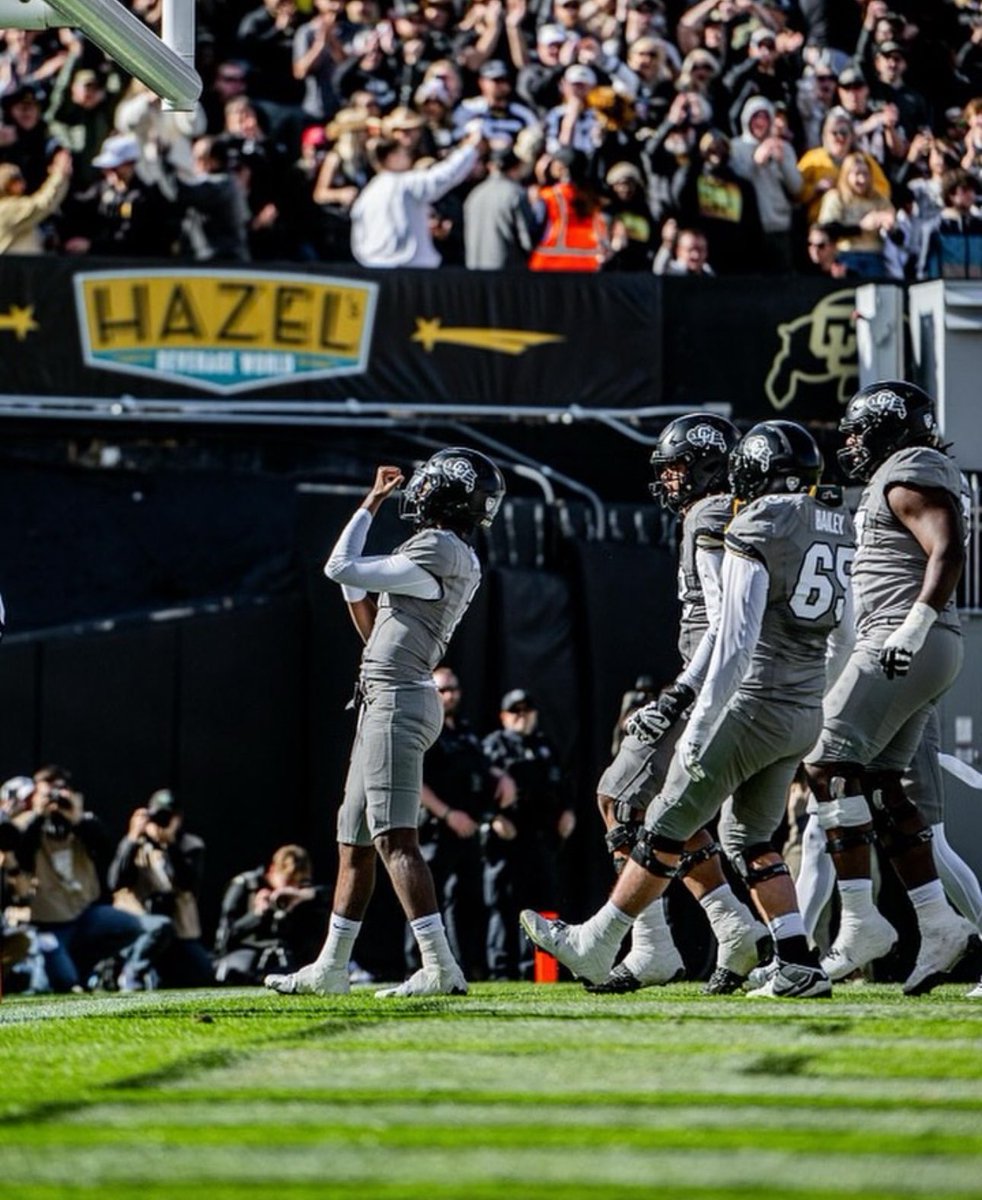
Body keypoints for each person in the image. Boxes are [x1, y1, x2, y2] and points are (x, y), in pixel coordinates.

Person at [523, 420, 854, 1000]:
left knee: (652, 814)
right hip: (801, 707)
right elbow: (841, 636)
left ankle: (608, 939)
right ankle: (795, 960)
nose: (669, 480)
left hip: (740, 697)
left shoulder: (739, 519)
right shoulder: (829, 522)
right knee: (749, 837)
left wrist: (690, 706)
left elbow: (731, 632)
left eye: (678, 467)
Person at [265, 447, 505, 998]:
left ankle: (440, 965)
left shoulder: (439, 547)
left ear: (444, 493)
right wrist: (355, 584)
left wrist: (371, 501)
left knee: (395, 837)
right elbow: (369, 619)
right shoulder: (448, 553)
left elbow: (338, 565)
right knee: (353, 840)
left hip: (398, 699)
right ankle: (331, 967)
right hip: (385, 696)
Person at [802, 380, 980, 996]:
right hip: (919, 644)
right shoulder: (902, 474)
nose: (850, 444)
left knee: (823, 762)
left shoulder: (906, 475)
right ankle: (936, 925)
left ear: (888, 428)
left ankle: (858, 926)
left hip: (905, 639)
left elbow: (949, 546)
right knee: (877, 783)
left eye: (859, 431)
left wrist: (915, 622)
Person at [590, 413, 768, 995]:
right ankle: (735, 928)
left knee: (618, 796)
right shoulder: (734, 512)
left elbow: (720, 625)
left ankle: (653, 947)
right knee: (677, 813)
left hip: (709, 683)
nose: (668, 481)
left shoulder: (709, 514)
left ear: (706, 466)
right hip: (738, 683)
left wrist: (681, 693)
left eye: (675, 468)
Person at [12, 766, 171, 992]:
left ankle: (116, 972)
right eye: (49, 793)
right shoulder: (27, 825)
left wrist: (76, 818)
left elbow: (106, 851)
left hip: (84, 916)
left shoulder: (82, 824)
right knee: (62, 982)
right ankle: (59, 971)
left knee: (135, 926)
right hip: (47, 924)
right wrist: (40, 814)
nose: (55, 800)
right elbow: (20, 852)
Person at [412, 665, 516, 979]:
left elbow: (482, 767)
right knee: (425, 898)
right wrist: (446, 813)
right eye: (442, 690)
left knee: (467, 901)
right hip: (436, 828)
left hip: (468, 829)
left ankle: (460, 966)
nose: (449, 695)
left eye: (454, 689)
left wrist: (501, 777)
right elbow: (415, 781)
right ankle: (415, 967)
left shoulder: (465, 731)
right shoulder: (427, 729)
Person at [481, 689, 576, 979]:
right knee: (504, 904)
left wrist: (567, 811)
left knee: (544, 903)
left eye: (527, 709)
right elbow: (479, 788)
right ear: (503, 716)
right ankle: (501, 973)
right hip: (508, 839)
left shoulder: (545, 745)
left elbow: (562, 783)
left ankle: (542, 971)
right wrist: (493, 817)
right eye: (515, 710)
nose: (522, 715)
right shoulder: (493, 746)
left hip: (541, 837)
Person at [108, 789, 214, 988]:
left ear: (178, 819)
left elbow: (189, 884)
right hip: (141, 925)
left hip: (180, 931)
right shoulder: (134, 844)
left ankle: (149, 972)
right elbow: (115, 882)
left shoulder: (190, 845)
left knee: (202, 973)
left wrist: (170, 845)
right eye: (157, 816)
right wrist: (132, 838)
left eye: (168, 817)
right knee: (159, 928)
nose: (161, 822)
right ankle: (133, 971)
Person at [349, 125, 483, 267]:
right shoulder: (403, 183)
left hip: (373, 268)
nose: (409, 157)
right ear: (391, 157)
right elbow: (444, 176)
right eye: (404, 153)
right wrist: (470, 148)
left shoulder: (368, 193)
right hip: (409, 270)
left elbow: (358, 237)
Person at [214, 844, 331, 984]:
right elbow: (226, 934)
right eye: (288, 880)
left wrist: (303, 895)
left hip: (286, 956)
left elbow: (335, 897)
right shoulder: (246, 885)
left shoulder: (300, 893)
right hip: (247, 954)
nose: (290, 887)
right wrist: (257, 914)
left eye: (297, 882)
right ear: (273, 869)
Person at [816, 150, 896, 279]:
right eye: (857, 174)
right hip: (846, 254)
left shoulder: (879, 199)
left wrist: (890, 227)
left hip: (875, 255)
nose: (862, 179)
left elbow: (899, 237)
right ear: (846, 174)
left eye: (865, 174)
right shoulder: (836, 197)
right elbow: (827, 230)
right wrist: (861, 227)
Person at [463, 144, 535, 268]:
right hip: (506, 275)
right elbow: (527, 240)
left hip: (474, 271)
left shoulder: (475, 194)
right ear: (515, 168)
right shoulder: (515, 194)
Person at [0, 149, 71, 255]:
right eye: (15, 180)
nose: (23, 184)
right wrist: (59, 174)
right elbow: (42, 204)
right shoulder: (6, 209)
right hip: (13, 269)